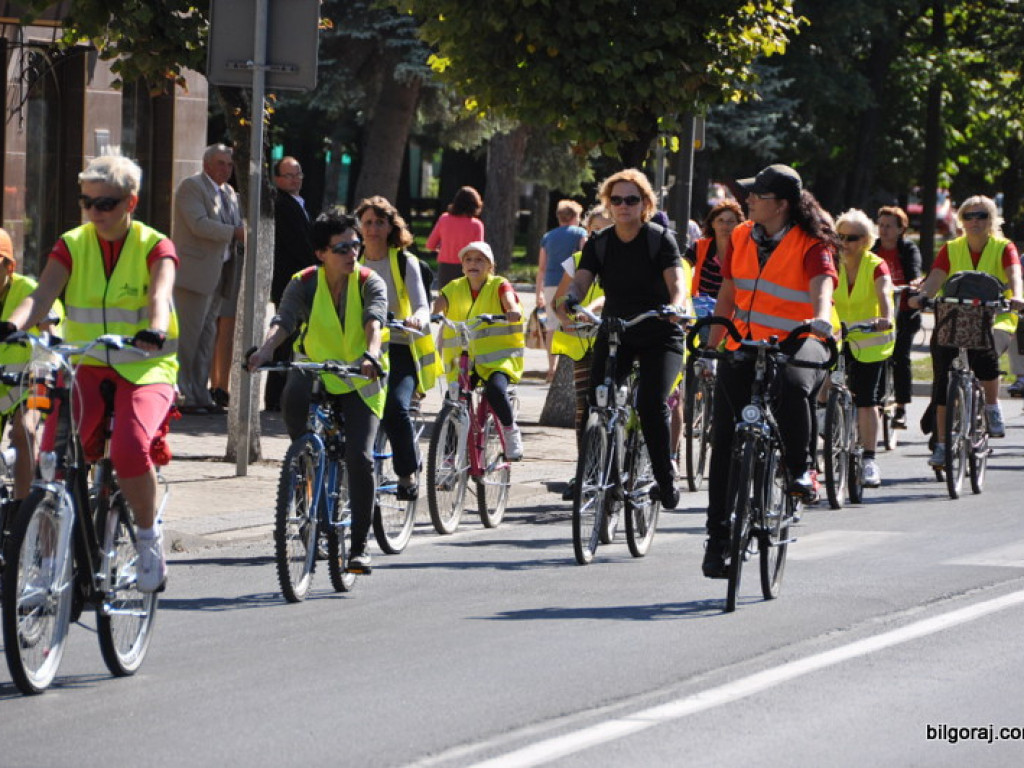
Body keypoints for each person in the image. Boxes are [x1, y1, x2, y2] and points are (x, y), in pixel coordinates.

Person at [3, 154, 179, 593]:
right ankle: (47, 561)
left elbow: (160, 295)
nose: (96, 212)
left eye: (107, 203)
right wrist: (12, 325)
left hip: (145, 367)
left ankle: (146, 538)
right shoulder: (72, 243)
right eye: (88, 203)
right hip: (85, 364)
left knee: (128, 449)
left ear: (131, 202)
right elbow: (42, 295)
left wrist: (155, 331)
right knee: (53, 461)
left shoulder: (155, 245)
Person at [701, 164, 837, 579]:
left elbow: (823, 284)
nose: (748, 201)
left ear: (780, 205)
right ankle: (719, 538)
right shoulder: (741, 235)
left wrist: (820, 318)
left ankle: (800, 468)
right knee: (724, 440)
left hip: (801, 337)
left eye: (756, 196)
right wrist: (712, 347)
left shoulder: (812, 242)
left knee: (795, 385)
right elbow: (729, 289)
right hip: (746, 340)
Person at [247, 212, 387, 574]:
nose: (352, 253)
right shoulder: (304, 282)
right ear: (321, 253)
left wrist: (371, 354)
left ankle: (358, 548)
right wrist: (264, 351)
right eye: (342, 247)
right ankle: (303, 474)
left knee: (359, 457)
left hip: (360, 376)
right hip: (316, 369)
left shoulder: (370, 282)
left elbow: (375, 321)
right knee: (292, 408)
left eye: (355, 244)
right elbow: (284, 321)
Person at [557, 168, 689, 511]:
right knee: (596, 400)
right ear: (608, 205)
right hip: (617, 331)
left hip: (660, 330)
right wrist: (573, 299)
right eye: (616, 200)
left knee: (650, 402)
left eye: (631, 199)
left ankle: (665, 477)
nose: (623, 205)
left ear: (644, 204)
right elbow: (582, 281)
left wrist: (675, 307)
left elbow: (678, 283)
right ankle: (600, 474)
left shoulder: (659, 238)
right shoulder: (599, 243)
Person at [909, 195, 1024, 463]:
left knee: (987, 346)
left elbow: (1015, 275)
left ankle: (993, 407)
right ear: (960, 221)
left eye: (981, 215)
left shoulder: (1002, 247)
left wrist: (1017, 295)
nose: (974, 221)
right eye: (968, 216)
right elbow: (934, 279)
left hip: (995, 317)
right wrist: (922, 295)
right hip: (955, 319)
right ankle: (940, 444)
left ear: (992, 219)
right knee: (941, 382)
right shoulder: (951, 248)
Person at [356, 195, 437, 499]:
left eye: (380, 222)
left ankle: (407, 474)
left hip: (400, 348)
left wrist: (416, 319)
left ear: (391, 226)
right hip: (361, 348)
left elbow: (422, 306)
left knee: (394, 408)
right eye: (368, 223)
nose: (373, 229)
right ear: (359, 227)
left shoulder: (405, 262)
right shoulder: (353, 261)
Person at [433, 241, 525, 459]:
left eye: (480, 259)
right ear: (463, 265)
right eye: (468, 259)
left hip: (499, 359)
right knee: (454, 402)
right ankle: (448, 458)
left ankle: (511, 431)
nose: (473, 263)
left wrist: (511, 311)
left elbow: (509, 299)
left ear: (490, 266)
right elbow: (440, 301)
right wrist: (434, 313)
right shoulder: (454, 287)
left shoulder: (499, 285)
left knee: (495, 390)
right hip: (465, 360)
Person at [171, 143, 244, 415]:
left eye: (229, 164)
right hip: (194, 276)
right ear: (206, 165)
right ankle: (183, 394)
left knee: (206, 338)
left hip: (222, 275)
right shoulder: (192, 187)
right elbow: (199, 224)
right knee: (188, 338)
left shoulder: (230, 193)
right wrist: (235, 233)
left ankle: (201, 394)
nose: (226, 169)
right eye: (220, 163)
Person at [0, 227, 63, 505]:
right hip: (3, 387)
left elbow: (50, 335)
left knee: (25, 429)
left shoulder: (30, 291)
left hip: (33, 380)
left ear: (9, 266)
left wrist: (43, 372)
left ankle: (21, 511)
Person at [552, 204, 610, 499]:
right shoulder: (576, 260)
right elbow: (559, 303)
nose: (599, 236)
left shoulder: (624, 258)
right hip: (583, 346)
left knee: (615, 404)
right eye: (593, 231)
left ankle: (617, 465)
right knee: (584, 410)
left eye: (605, 229)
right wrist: (567, 319)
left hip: (616, 341)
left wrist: (596, 309)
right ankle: (585, 470)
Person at [833, 209, 895, 488]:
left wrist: (886, 318)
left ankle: (869, 459)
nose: (845, 242)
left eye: (853, 238)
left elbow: (885, 294)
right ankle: (826, 433)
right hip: (834, 335)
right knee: (819, 386)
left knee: (867, 399)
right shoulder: (831, 262)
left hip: (869, 338)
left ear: (867, 240)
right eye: (840, 236)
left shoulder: (876, 264)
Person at [266, 156, 315, 412]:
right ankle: (275, 397)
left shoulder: (298, 203)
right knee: (284, 337)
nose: (295, 179)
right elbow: (298, 245)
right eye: (289, 175)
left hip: (297, 279)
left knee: (292, 338)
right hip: (290, 282)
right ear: (277, 179)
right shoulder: (282, 204)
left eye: (298, 174)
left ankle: (281, 395)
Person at [871, 205, 922, 428]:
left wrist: (912, 285)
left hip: (904, 312)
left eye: (889, 226)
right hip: (878, 313)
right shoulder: (872, 249)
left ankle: (901, 408)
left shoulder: (908, 249)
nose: (884, 230)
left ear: (901, 229)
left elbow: (915, 272)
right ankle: (876, 403)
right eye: (881, 225)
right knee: (878, 357)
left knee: (901, 357)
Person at [536, 200, 586, 382]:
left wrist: (538, 293)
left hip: (550, 282)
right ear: (575, 217)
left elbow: (541, 267)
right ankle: (571, 365)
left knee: (551, 325)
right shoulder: (580, 233)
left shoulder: (548, 236)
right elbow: (585, 256)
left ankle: (551, 367)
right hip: (572, 283)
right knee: (572, 322)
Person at [427, 186, 484, 290]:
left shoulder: (444, 219)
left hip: (445, 267)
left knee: (445, 301)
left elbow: (430, 245)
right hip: (468, 267)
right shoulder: (477, 225)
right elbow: (479, 251)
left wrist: (443, 247)